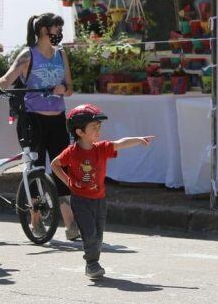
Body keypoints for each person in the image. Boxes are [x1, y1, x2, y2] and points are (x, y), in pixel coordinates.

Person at [0, 13, 80, 240]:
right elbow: (7, 78)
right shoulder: (28, 55)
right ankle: (36, 220)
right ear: (43, 30)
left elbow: (70, 86)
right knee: (35, 168)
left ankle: (70, 222)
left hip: (57, 117)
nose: (59, 32)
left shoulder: (61, 54)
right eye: (56, 27)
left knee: (62, 167)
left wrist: (63, 89)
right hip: (33, 119)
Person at [51, 104, 154, 279]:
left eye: (99, 127)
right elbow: (55, 165)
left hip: (99, 199)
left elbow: (119, 143)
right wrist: (68, 182)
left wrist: (137, 139)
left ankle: (93, 260)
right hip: (80, 200)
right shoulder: (72, 152)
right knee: (89, 233)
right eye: (94, 127)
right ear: (79, 132)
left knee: (98, 235)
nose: (98, 130)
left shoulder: (101, 148)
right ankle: (92, 264)